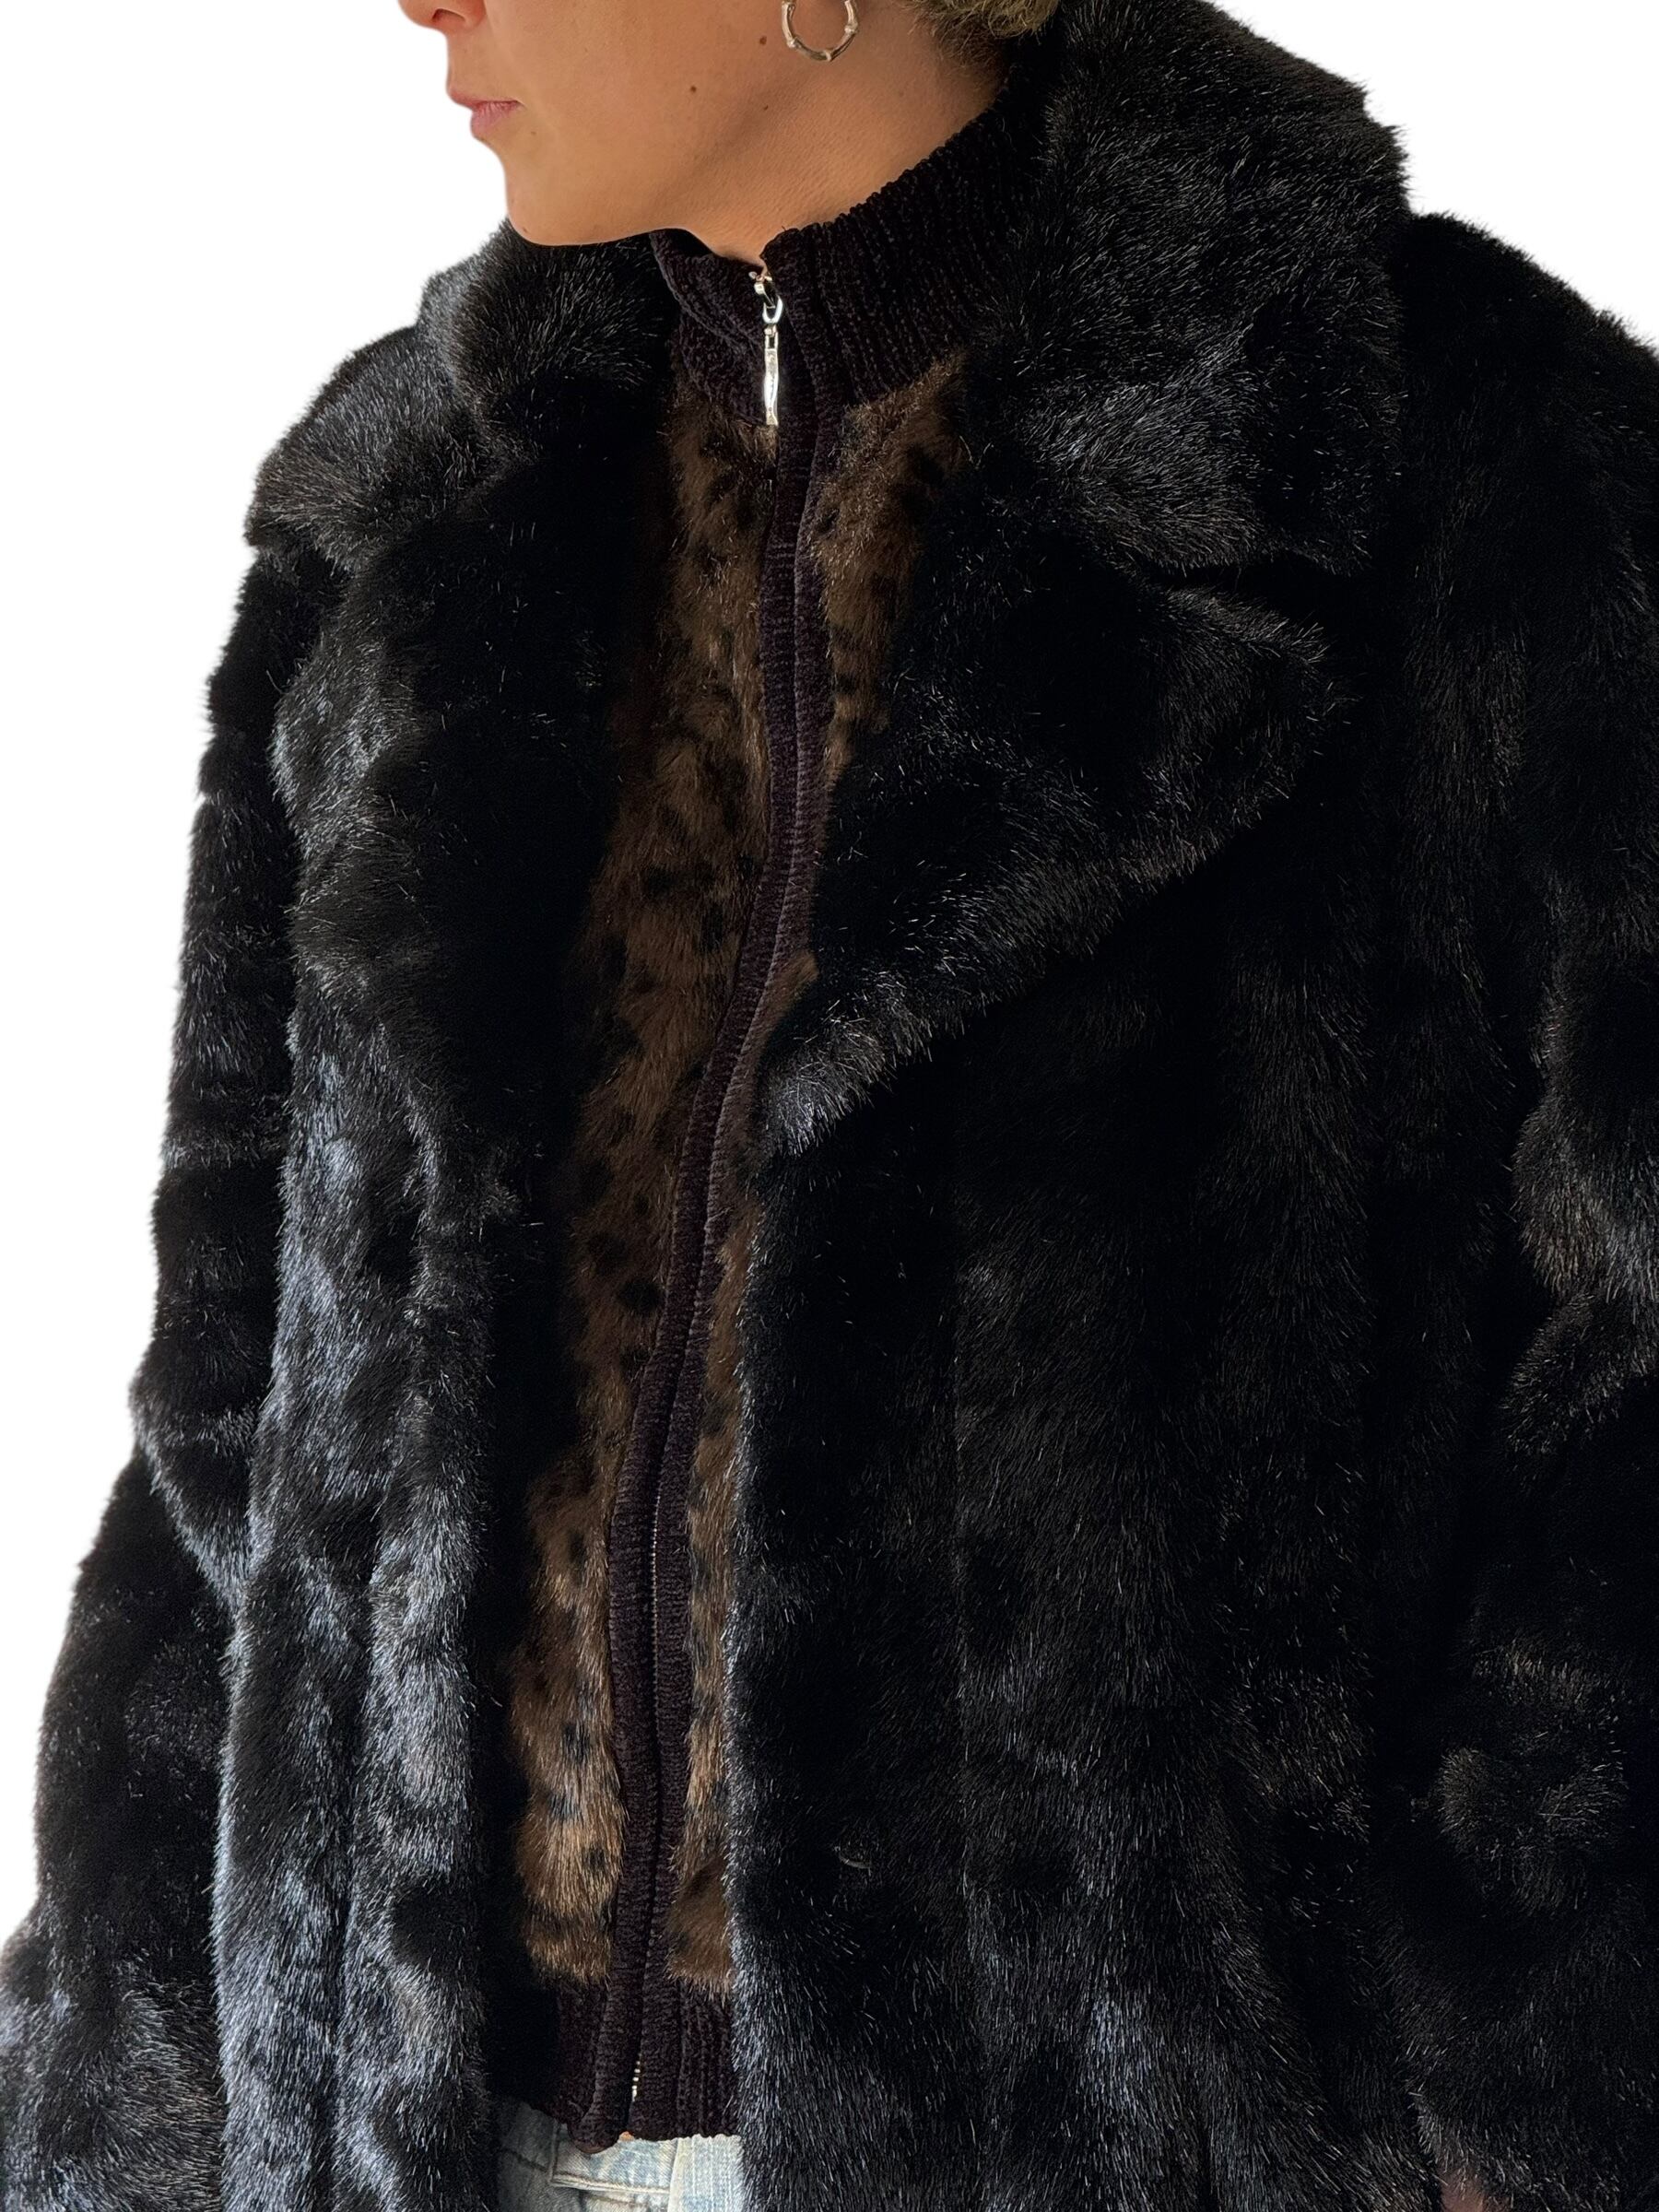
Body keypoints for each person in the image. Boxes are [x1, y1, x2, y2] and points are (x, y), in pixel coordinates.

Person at [4, 0, 1658, 2205]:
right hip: (410, 2131)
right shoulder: (405, 527)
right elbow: (234, 1400)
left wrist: (1526, 2089)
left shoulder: (1444, 469)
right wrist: (123, 2100)